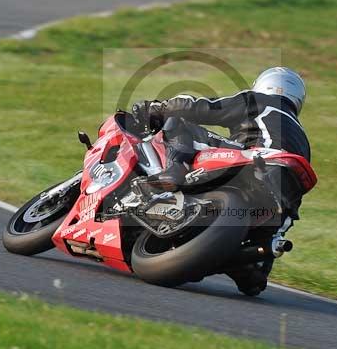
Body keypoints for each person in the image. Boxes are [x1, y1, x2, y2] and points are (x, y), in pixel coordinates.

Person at [132, 67, 311, 295]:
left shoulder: (260, 101)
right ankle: (253, 265)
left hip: (254, 161)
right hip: (281, 195)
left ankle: (174, 171)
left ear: (263, 84)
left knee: (178, 122)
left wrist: (156, 108)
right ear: (297, 100)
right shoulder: (302, 137)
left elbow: (202, 108)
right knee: (256, 272)